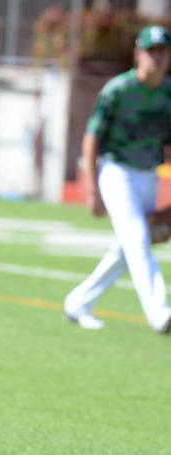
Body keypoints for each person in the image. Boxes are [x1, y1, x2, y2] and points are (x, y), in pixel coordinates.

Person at [64, 25, 171, 333]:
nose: (157, 58)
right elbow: (91, 138)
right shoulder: (118, 90)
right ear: (138, 54)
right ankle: (160, 314)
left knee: (127, 248)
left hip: (148, 174)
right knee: (137, 239)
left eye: (163, 52)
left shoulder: (167, 94)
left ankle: (78, 303)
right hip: (117, 173)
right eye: (151, 52)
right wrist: (91, 190)